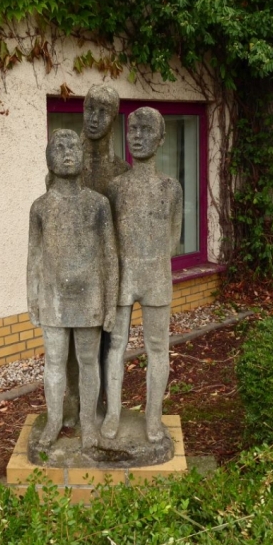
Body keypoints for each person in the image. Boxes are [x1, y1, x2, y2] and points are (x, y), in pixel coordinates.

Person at [27, 129, 118, 448]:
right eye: (59, 147)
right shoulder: (40, 207)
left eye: (73, 146)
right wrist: (33, 296)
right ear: (49, 158)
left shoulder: (98, 204)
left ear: (82, 154)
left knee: (89, 361)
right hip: (53, 297)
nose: (67, 152)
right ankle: (53, 421)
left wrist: (109, 303)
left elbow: (110, 256)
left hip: (89, 295)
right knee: (53, 360)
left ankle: (88, 424)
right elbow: (35, 255)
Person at [102, 107, 183, 443]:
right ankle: (112, 414)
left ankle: (153, 417)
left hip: (155, 276)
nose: (136, 136)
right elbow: (109, 238)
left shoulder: (171, 188)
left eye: (146, 130)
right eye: (132, 129)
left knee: (157, 347)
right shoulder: (115, 187)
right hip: (123, 275)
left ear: (161, 138)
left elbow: (174, 236)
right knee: (115, 347)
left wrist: (153, 260)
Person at [57, 85, 129, 427]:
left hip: (110, 274)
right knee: (72, 349)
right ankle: (74, 406)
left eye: (102, 111)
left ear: (114, 118)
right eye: (89, 109)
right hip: (74, 277)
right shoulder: (66, 167)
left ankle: (104, 408)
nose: (93, 118)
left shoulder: (121, 172)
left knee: (108, 345)